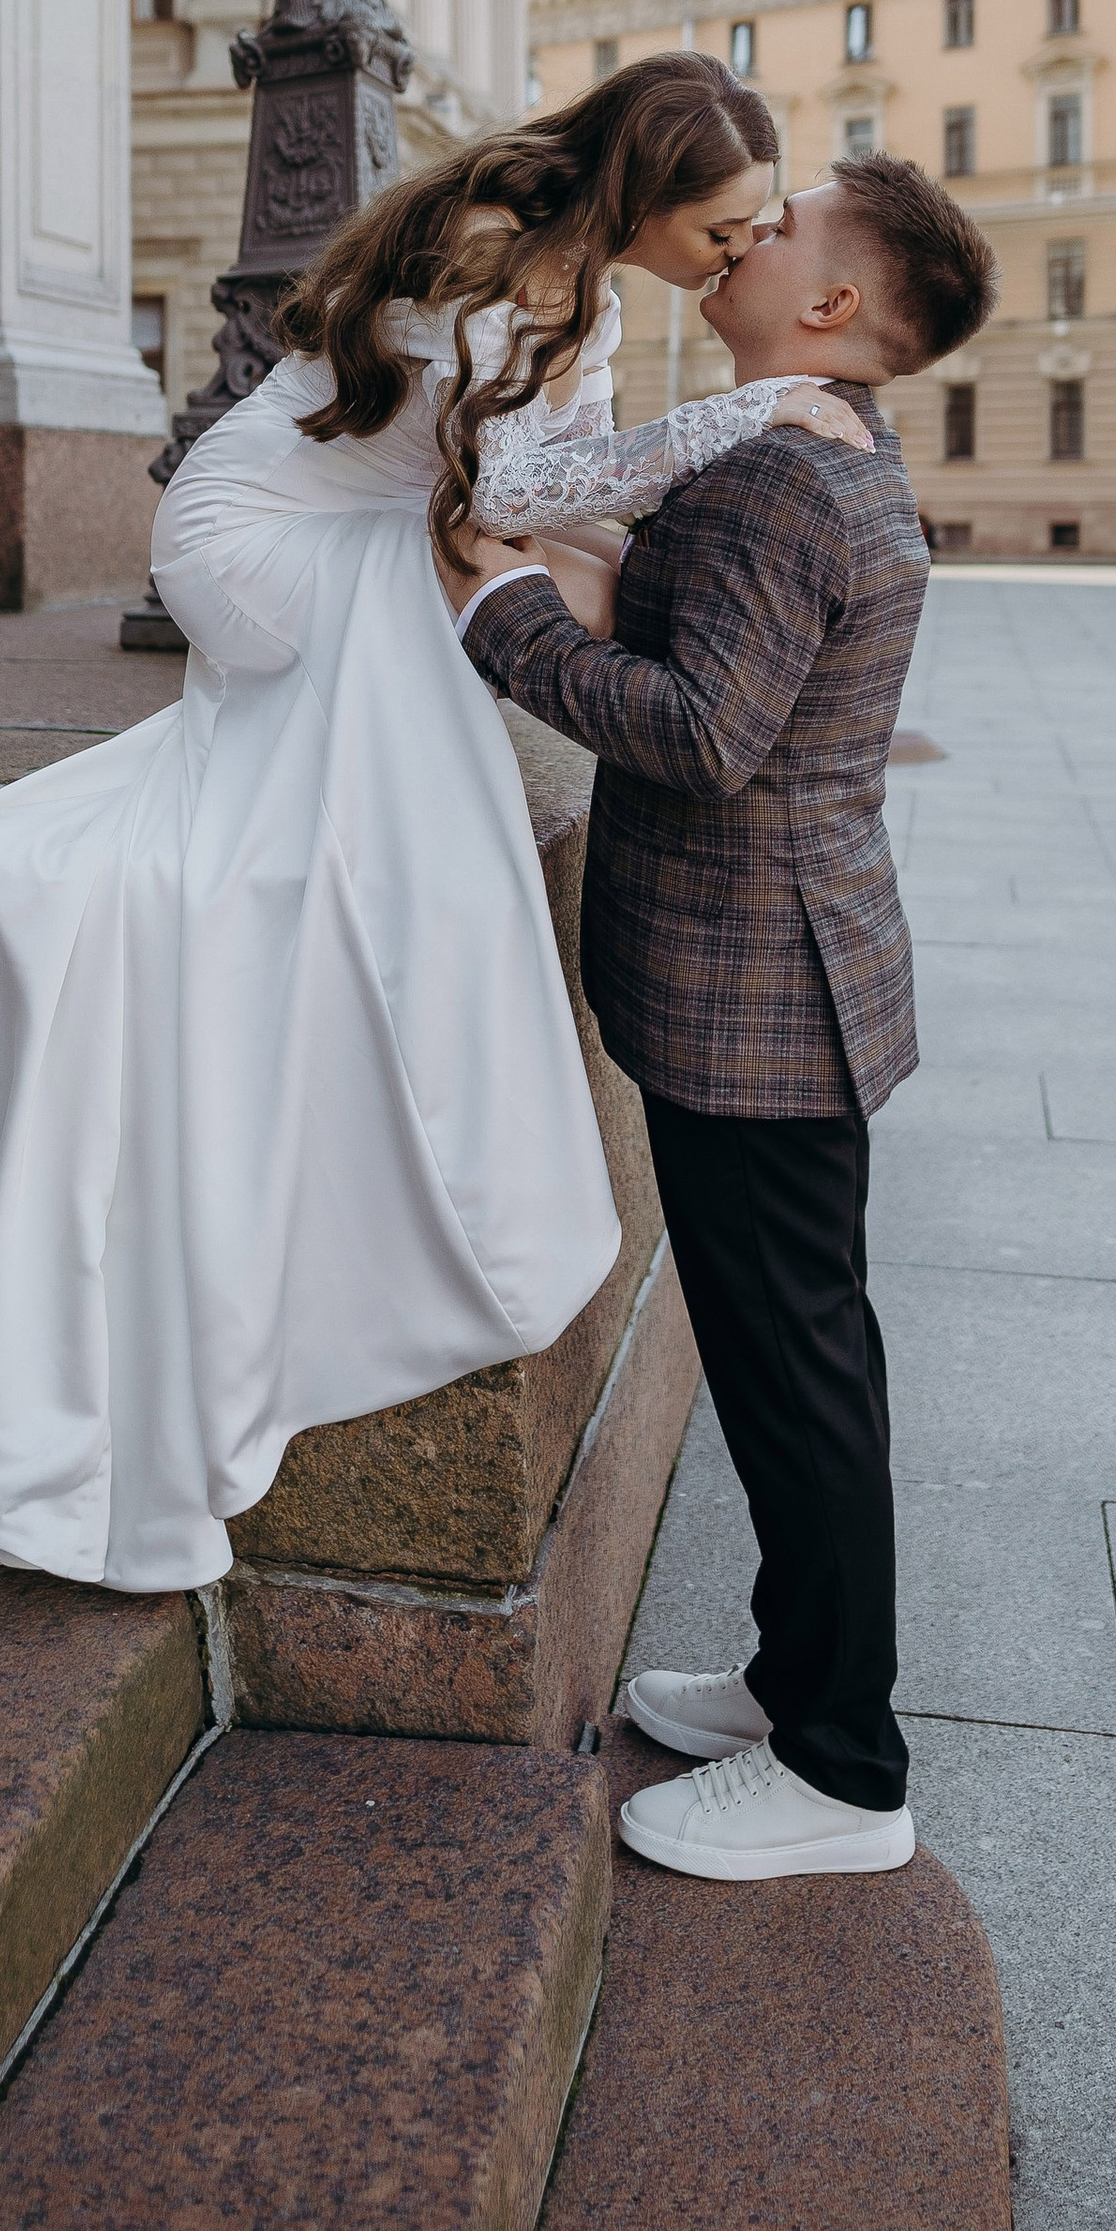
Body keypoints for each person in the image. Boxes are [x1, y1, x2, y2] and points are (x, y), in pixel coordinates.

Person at [0, 54, 874, 1593]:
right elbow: (520, 483)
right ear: (649, 192)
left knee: (446, 618)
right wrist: (743, 419)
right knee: (417, 641)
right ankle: (356, 923)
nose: (742, 254)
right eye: (728, 228)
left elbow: (531, 508)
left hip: (376, 529)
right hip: (253, 536)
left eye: (760, 234)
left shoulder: (590, 290)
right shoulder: (498, 249)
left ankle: (374, 935)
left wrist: (688, 563)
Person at [445, 153, 999, 1884]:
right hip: (791, 972)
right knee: (797, 1361)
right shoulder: (800, 448)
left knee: (796, 1373)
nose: (755, 229)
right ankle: (794, 1682)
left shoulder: (783, 474)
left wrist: (503, 610)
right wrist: (585, 549)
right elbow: (715, 633)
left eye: (791, 225)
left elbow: (697, 731)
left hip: (760, 988)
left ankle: (845, 1769)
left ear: (831, 308)